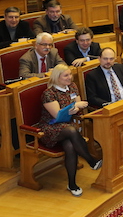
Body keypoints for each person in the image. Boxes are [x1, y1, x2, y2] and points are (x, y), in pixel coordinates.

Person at [36, 63, 102, 196]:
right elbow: (58, 115)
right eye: (66, 75)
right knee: (71, 131)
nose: (69, 77)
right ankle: (90, 159)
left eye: (70, 74)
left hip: (67, 125)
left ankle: (72, 184)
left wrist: (74, 107)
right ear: (57, 77)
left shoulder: (72, 87)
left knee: (70, 146)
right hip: (50, 127)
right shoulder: (49, 93)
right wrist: (75, 106)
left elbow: (78, 109)